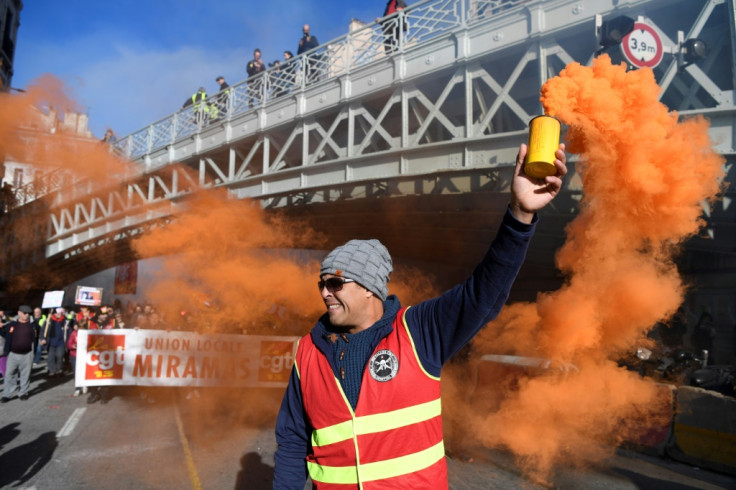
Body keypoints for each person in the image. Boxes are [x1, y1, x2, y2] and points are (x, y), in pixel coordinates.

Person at [273, 143, 567, 488]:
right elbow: (293, 440)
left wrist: (519, 216)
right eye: (322, 284)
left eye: (336, 283)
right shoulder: (308, 351)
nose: (325, 292)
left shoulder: (419, 330)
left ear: (369, 288)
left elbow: (483, 293)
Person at [1, 306, 35, 402]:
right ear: (19, 313)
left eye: (28, 313)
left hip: (27, 354)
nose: (27, 315)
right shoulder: (11, 324)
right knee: (9, 374)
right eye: (25, 313)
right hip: (13, 354)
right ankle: (7, 394)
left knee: (25, 374)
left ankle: (23, 392)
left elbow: (41, 332)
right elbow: (4, 333)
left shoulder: (32, 325)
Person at [42, 307, 71, 376]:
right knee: (51, 357)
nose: (59, 315)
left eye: (60, 313)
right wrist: (43, 338)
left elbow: (69, 332)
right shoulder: (48, 321)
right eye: (57, 313)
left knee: (60, 356)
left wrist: (68, 329)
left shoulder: (65, 321)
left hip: (61, 342)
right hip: (51, 342)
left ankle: (59, 370)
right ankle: (51, 371)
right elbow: (43, 331)